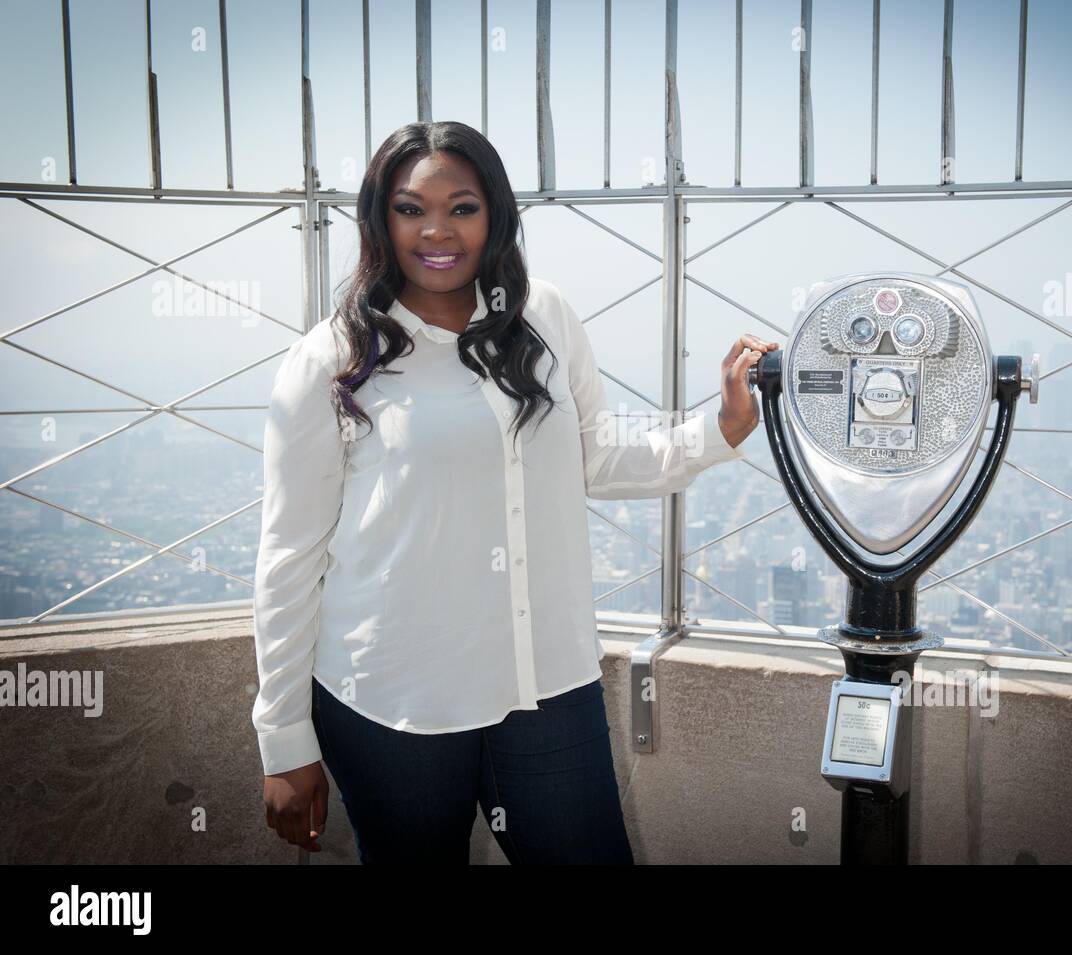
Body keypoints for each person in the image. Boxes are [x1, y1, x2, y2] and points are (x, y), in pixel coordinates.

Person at [253, 120, 774, 864]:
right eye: (410, 209)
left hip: (548, 685)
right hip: (394, 702)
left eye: (462, 207)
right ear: (379, 219)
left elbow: (595, 456)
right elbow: (288, 558)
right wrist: (282, 739)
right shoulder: (331, 361)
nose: (437, 230)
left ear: (494, 214)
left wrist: (719, 426)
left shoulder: (547, 316)